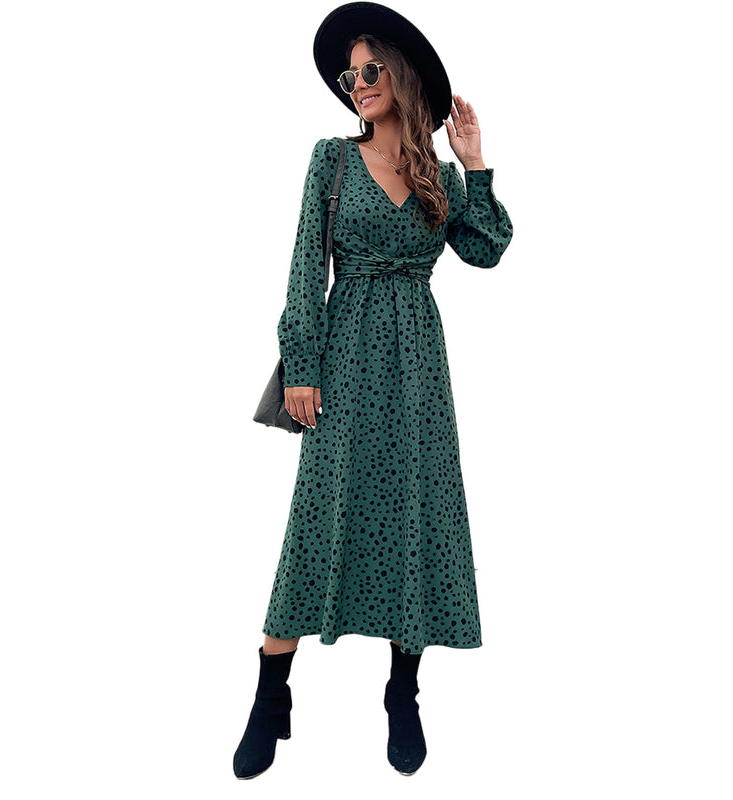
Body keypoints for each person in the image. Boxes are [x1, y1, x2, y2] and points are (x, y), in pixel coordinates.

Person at [234, 1, 513, 779]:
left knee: (414, 512)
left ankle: (403, 693)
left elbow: (486, 248)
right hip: (346, 352)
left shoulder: (439, 177)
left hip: (419, 364)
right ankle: (270, 696)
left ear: (402, 73)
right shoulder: (331, 160)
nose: (356, 82)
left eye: (369, 68)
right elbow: (304, 267)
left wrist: (475, 162)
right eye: (348, 75)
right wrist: (302, 365)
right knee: (318, 516)